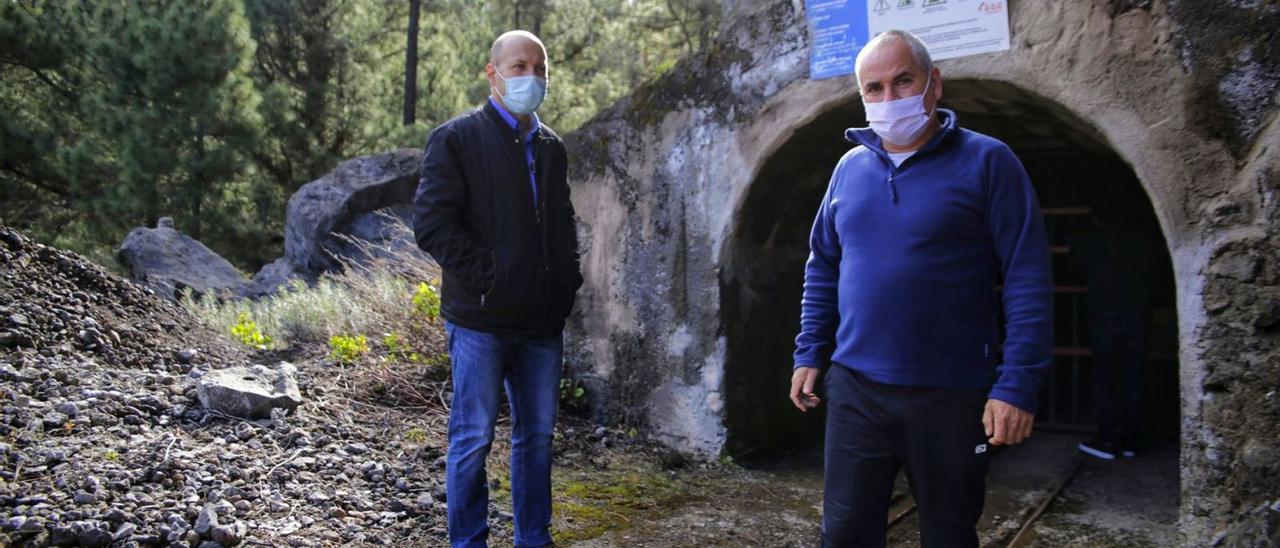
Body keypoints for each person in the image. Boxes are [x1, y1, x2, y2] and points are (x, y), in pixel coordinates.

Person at [789, 30, 1053, 547]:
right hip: (856, 390)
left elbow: (1027, 275)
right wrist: (810, 350)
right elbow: (823, 264)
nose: (889, 99)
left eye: (902, 81)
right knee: (843, 534)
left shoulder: (988, 162)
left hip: (950, 394)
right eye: (875, 88)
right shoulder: (848, 169)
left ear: (934, 85)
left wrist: (1016, 384)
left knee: (949, 534)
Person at [413, 30, 582, 548]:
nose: (529, 77)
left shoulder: (551, 147)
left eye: (538, 68)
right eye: (518, 67)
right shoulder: (457, 139)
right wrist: (491, 276)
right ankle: (469, 542)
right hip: (481, 322)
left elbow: (563, 223)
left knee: (536, 439)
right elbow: (433, 225)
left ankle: (534, 538)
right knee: (472, 439)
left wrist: (566, 279)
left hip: (540, 325)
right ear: (492, 73)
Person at [1071, 199, 1156, 460]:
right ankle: (1131, 440)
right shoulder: (1142, 242)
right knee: (1134, 378)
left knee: (1105, 379)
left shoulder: (1093, 242)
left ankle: (1107, 439)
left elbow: (1073, 263)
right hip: (1137, 315)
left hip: (1103, 316)